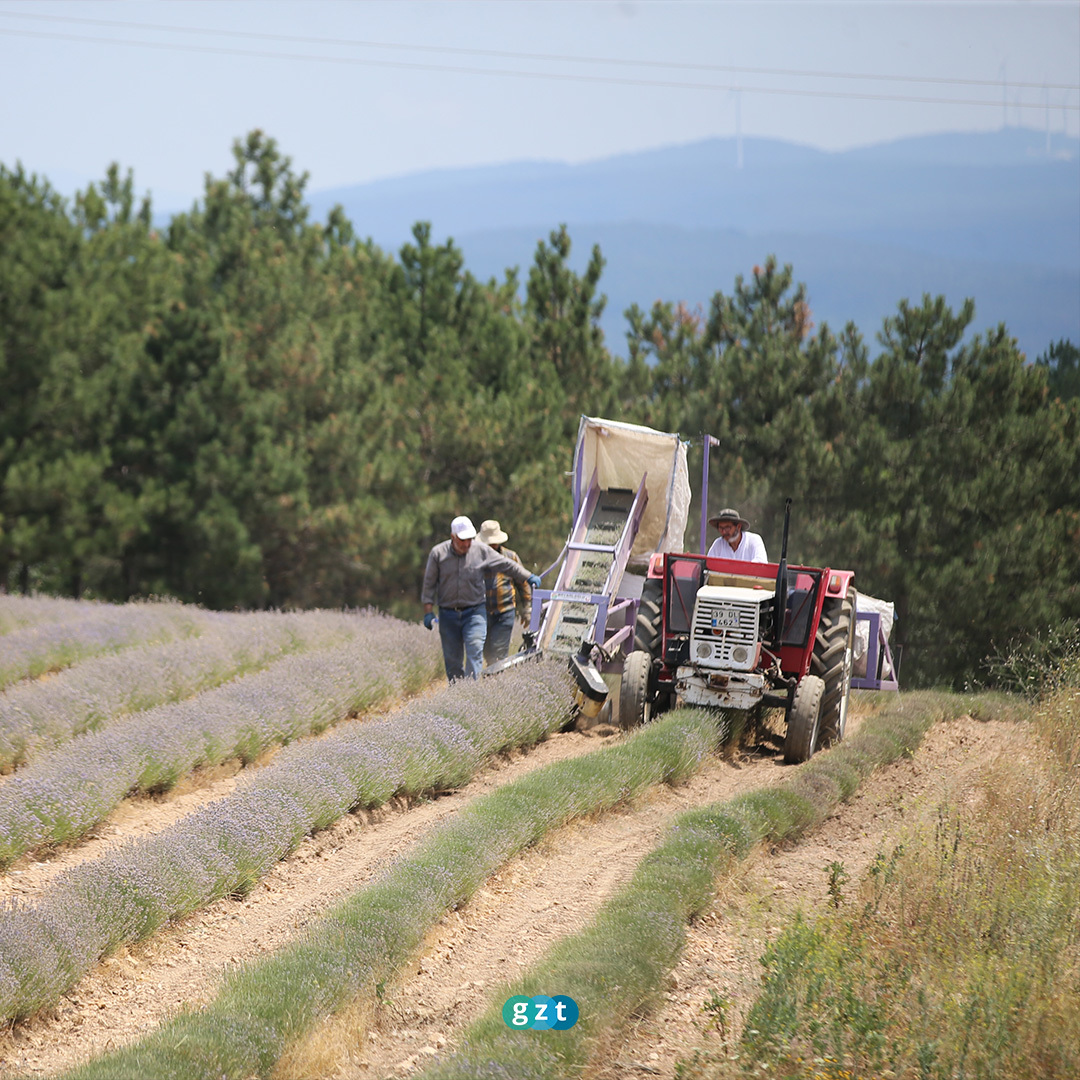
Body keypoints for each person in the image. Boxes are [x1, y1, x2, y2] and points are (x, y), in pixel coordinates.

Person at [422, 515, 542, 681]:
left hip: (475, 612)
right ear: (452, 537)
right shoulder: (438, 554)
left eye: (469, 539)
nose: (466, 544)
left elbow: (506, 564)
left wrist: (528, 576)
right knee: (453, 660)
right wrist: (428, 611)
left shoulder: (481, 550)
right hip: (448, 614)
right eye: (462, 540)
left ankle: (472, 691)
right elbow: (429, 583)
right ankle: (458, 693)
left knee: (475, 650)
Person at [478, 519, 533, 666]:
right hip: (482, 613)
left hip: (505, 611)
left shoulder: (510, 557)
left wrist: (526, 608)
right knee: (486, 651)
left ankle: (495, 681)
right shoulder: (475, 559)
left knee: (499, 651)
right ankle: (492, 677)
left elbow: (523, 583)